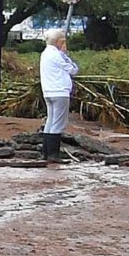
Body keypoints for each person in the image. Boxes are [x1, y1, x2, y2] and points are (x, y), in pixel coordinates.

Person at [38, 28, 78, 163]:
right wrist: (65, 54)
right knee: (58, 123)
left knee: (50, 121)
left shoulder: (45, 53)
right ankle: (53, 154)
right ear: (58, 41)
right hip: (60, 92)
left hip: (48, 91)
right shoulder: (57, 54)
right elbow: (73, 70)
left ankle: (46, 152)